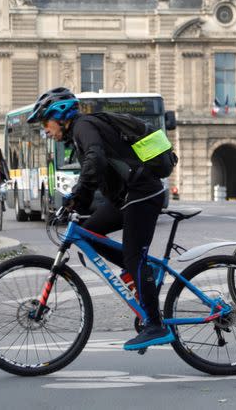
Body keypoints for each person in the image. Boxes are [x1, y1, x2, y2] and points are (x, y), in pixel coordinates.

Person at [27, 87, 169, 351]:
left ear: (59, 116)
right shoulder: (80, 131)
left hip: (142, 194)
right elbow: (98, 170)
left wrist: (76, 195)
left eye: (45, 123)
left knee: (133, 256)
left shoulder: (84, 127)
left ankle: (155, 325)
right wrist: (76, 205)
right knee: (87, 233)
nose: (45, 130)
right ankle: (141, 273)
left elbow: (96, 159)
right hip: (126, 198)